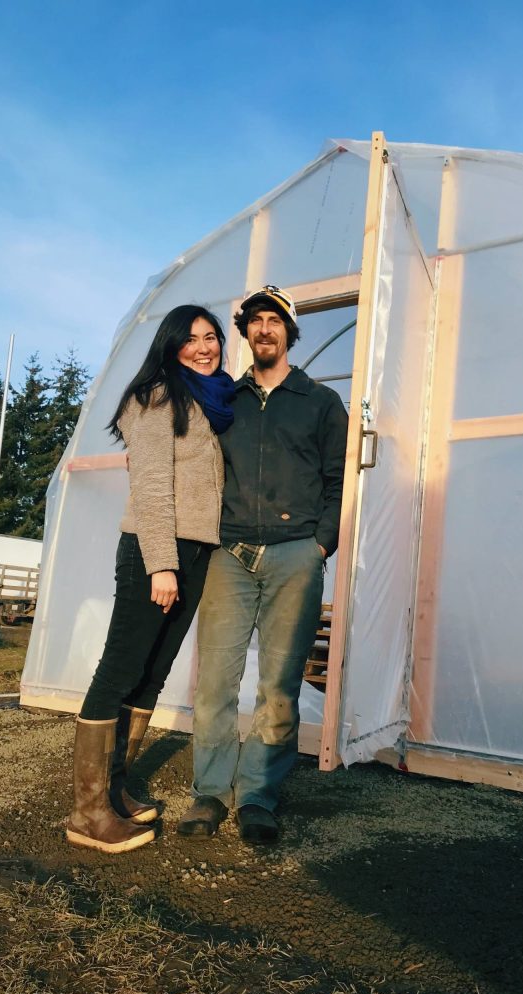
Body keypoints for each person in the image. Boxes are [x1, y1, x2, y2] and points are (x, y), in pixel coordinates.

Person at [177, 284, 348, 844]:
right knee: (215, 680)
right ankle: (210, 791)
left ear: (289, 332)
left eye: (274, 321)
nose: (264, 330)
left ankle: (257, 796)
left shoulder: (320, 403)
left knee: (278, 684)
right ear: (246, 334)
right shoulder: (226, 400)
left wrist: (320, 543)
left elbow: (339, 481)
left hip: (296, 554)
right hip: (229, 553)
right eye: (255, 322)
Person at [66, 305, 235, 854]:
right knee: (121, 667)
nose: (204, 347)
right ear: (170, 346)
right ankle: (88, 812)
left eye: (211, 337)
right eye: (191, 339)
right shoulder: (157, 397)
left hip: (194, 552)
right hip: (153, 551)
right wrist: (161, 563)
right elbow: (152, 488)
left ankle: (115, 787)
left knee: (152, 672)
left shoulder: (208, 402)